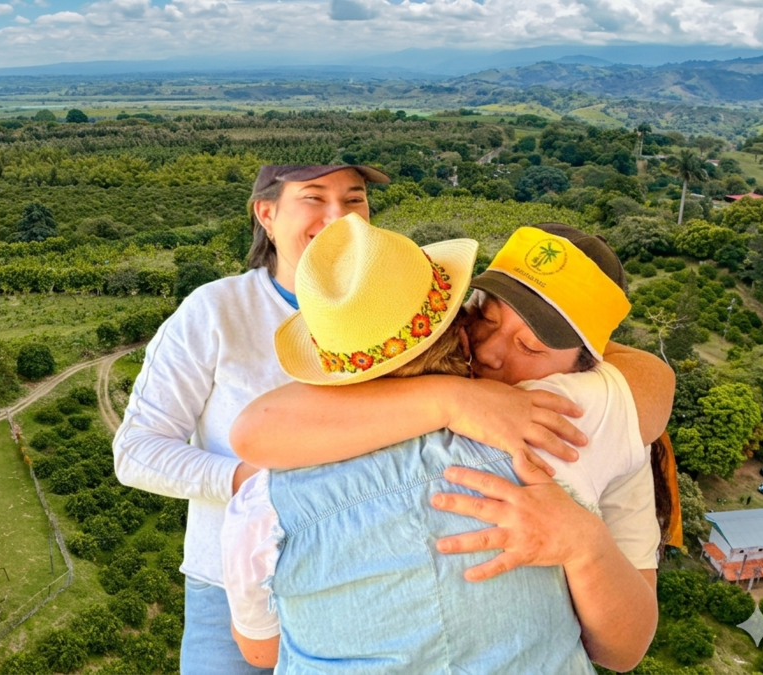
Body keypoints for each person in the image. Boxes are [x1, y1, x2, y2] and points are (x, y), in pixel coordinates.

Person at [112, 165, 588, 674]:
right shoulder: (214, 311)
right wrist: (264, 484)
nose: (337, 217)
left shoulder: (400, 297)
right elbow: (136, 450)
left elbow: (620, 368)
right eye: (314, 198)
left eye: (354, 199)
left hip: (375, 585)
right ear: (266, 213)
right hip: (230, 583)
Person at [228, 221, 675, 671]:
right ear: (458, 315)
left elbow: (624, 649)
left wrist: (586, 546)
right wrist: (452, 399)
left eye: (529, 346)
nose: (490, 353)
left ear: (592, 365)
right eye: (485, 317)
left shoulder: (573, 419)